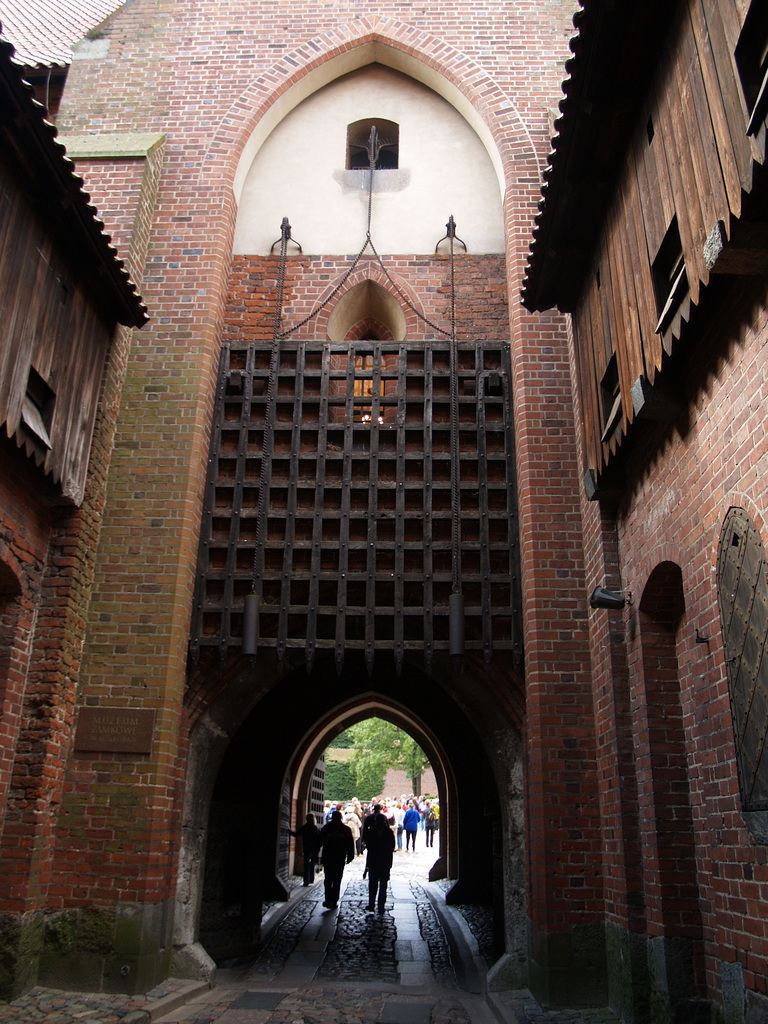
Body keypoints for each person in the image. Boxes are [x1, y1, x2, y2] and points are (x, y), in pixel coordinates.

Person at [361, 803, 396, 913]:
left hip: (374, 860)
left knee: (374, 883)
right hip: (383, 861)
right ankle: (380, 905)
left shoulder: (371, 830)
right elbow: (391, 847)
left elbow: (366, 839)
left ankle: (373, 905)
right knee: (382, 884)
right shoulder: (388, 832)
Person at [317, 810, 354, 909]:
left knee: (330, 879)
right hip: (337, 857)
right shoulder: (345, 829)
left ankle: (330, 900)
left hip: (332, 856)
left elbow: (320, 841)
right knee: (334, 879)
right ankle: (332, 900)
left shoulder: (327, 828)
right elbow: (350, 844)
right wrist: (350, 856)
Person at [289, 812, 321, 885]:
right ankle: (311, 879)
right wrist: (318, 848)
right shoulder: (316, 828)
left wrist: (289, 831)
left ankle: (306, 880)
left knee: (306, 864)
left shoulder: (305, 827)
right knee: (312, 863)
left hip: (306, 847)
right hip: (314, 849)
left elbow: (296, 834)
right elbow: (320, 839)